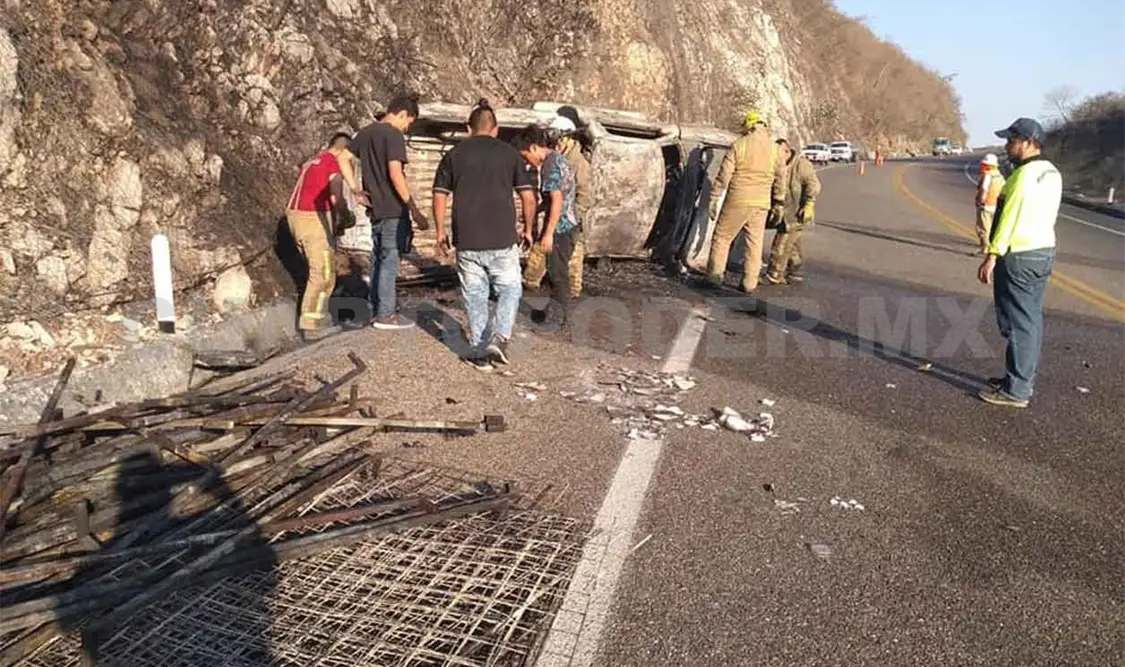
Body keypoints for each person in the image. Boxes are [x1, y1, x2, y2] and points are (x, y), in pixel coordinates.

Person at [432, 100, 537, 371]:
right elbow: (528, 196)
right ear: (496, 129)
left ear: (469, 128)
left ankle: (481, 353)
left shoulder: (453, 155)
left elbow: (440, 194)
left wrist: (440, 231)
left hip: (467, 240)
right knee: (510, 288)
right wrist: (528, 228)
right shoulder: (510, 155)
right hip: (502, 239)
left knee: (475, 296)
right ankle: (500, 337)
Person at [977, 117, 1061, 409]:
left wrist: (992, 255)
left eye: (1011, 141)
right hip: (1043, 251)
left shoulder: (1021, 177)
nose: (1006, 146)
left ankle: (1017, 390)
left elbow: (1008, 218)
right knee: (1030, 321)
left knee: (1016, 324)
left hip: (1019, 255)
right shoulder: (1052, 173)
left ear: (1028, 143)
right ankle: (1020, 378)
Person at [351, 92, 428, 330]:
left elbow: (342, 157)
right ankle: (386, 314)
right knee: (390, 259)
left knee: (378, 257)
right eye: (408, 123)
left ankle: (376, 308)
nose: (406, 128)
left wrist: (355, 189)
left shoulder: (365, 133)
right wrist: (414, 209)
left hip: (375, 208)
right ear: (403, 114)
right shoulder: (393, 135)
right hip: (393, 208)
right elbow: (396, 174)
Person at [284, 135, 355, 342]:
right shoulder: (332, 163)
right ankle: (312, 325)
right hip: (312, 219)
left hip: (296, 217)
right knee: (322, 272)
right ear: (343, 151)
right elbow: (336, 195)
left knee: (324, 271)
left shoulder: (313, 161)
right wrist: (344, 215)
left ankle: (321, 316)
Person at [707, 110, 779, 293]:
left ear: (749, 125)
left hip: (738, 199)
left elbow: (724, 175)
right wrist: (779, 201)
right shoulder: (774, 148)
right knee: (754, 244)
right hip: (761, 203)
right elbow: (781, 177)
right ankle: (749, 283)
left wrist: (714, 197)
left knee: (722, 238)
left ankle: (714, 276)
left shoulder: (739, 145)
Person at [514, 124, 579, 326]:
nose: (527, 163)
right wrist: (535, 212)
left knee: (557, 274)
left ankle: (558, 318)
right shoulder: (560, 159)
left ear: (534, 147)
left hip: (561, 227)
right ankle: (552, 311)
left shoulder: (550, 166)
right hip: (569, 223)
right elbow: (554, 199)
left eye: (526, 157)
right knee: (554, 271)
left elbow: (557, 200)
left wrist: (549, 233)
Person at [523, 111, 593, 299]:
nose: (557, 144)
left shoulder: (577, 162)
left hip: (569, 220)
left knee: (570, 261)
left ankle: (567, 296)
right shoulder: (558, 158)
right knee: (546, 254)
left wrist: (574, 216)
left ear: (570, 139)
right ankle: (533, 283)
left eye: (560, 139)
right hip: (558, 216)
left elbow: (584, 194)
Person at [764, 138, 820, 285]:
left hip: (798, 212)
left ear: (787, 151)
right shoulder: (777, 166)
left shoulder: (801, 165)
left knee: (782, 243)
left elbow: (813, 185)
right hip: (784, 211)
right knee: (793, 243)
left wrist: (809, 203)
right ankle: (795, 271)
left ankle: (774, 274)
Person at [974, 153, 1005, 255]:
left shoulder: (987, 175)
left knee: (983, 228)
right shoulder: (1000, 176)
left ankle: (985, 247)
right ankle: (993, 245)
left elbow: (984, 189)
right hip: (996, 205)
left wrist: (980, 201)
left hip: (986, 205)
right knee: (993, 227)